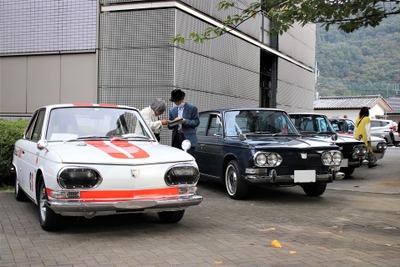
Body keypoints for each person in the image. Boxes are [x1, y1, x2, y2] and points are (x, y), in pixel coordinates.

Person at [168, 89, 199, 154]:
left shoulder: (192, 108)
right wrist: (174, 121)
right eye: (174, 101)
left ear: (182, 99)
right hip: (176, 137)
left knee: (188, 155)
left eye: (177, 101)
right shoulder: (172, 110)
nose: (176, 103)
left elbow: (196, 122)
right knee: (176, 156)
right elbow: (169, 126)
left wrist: (185, 121)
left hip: (188, 137)